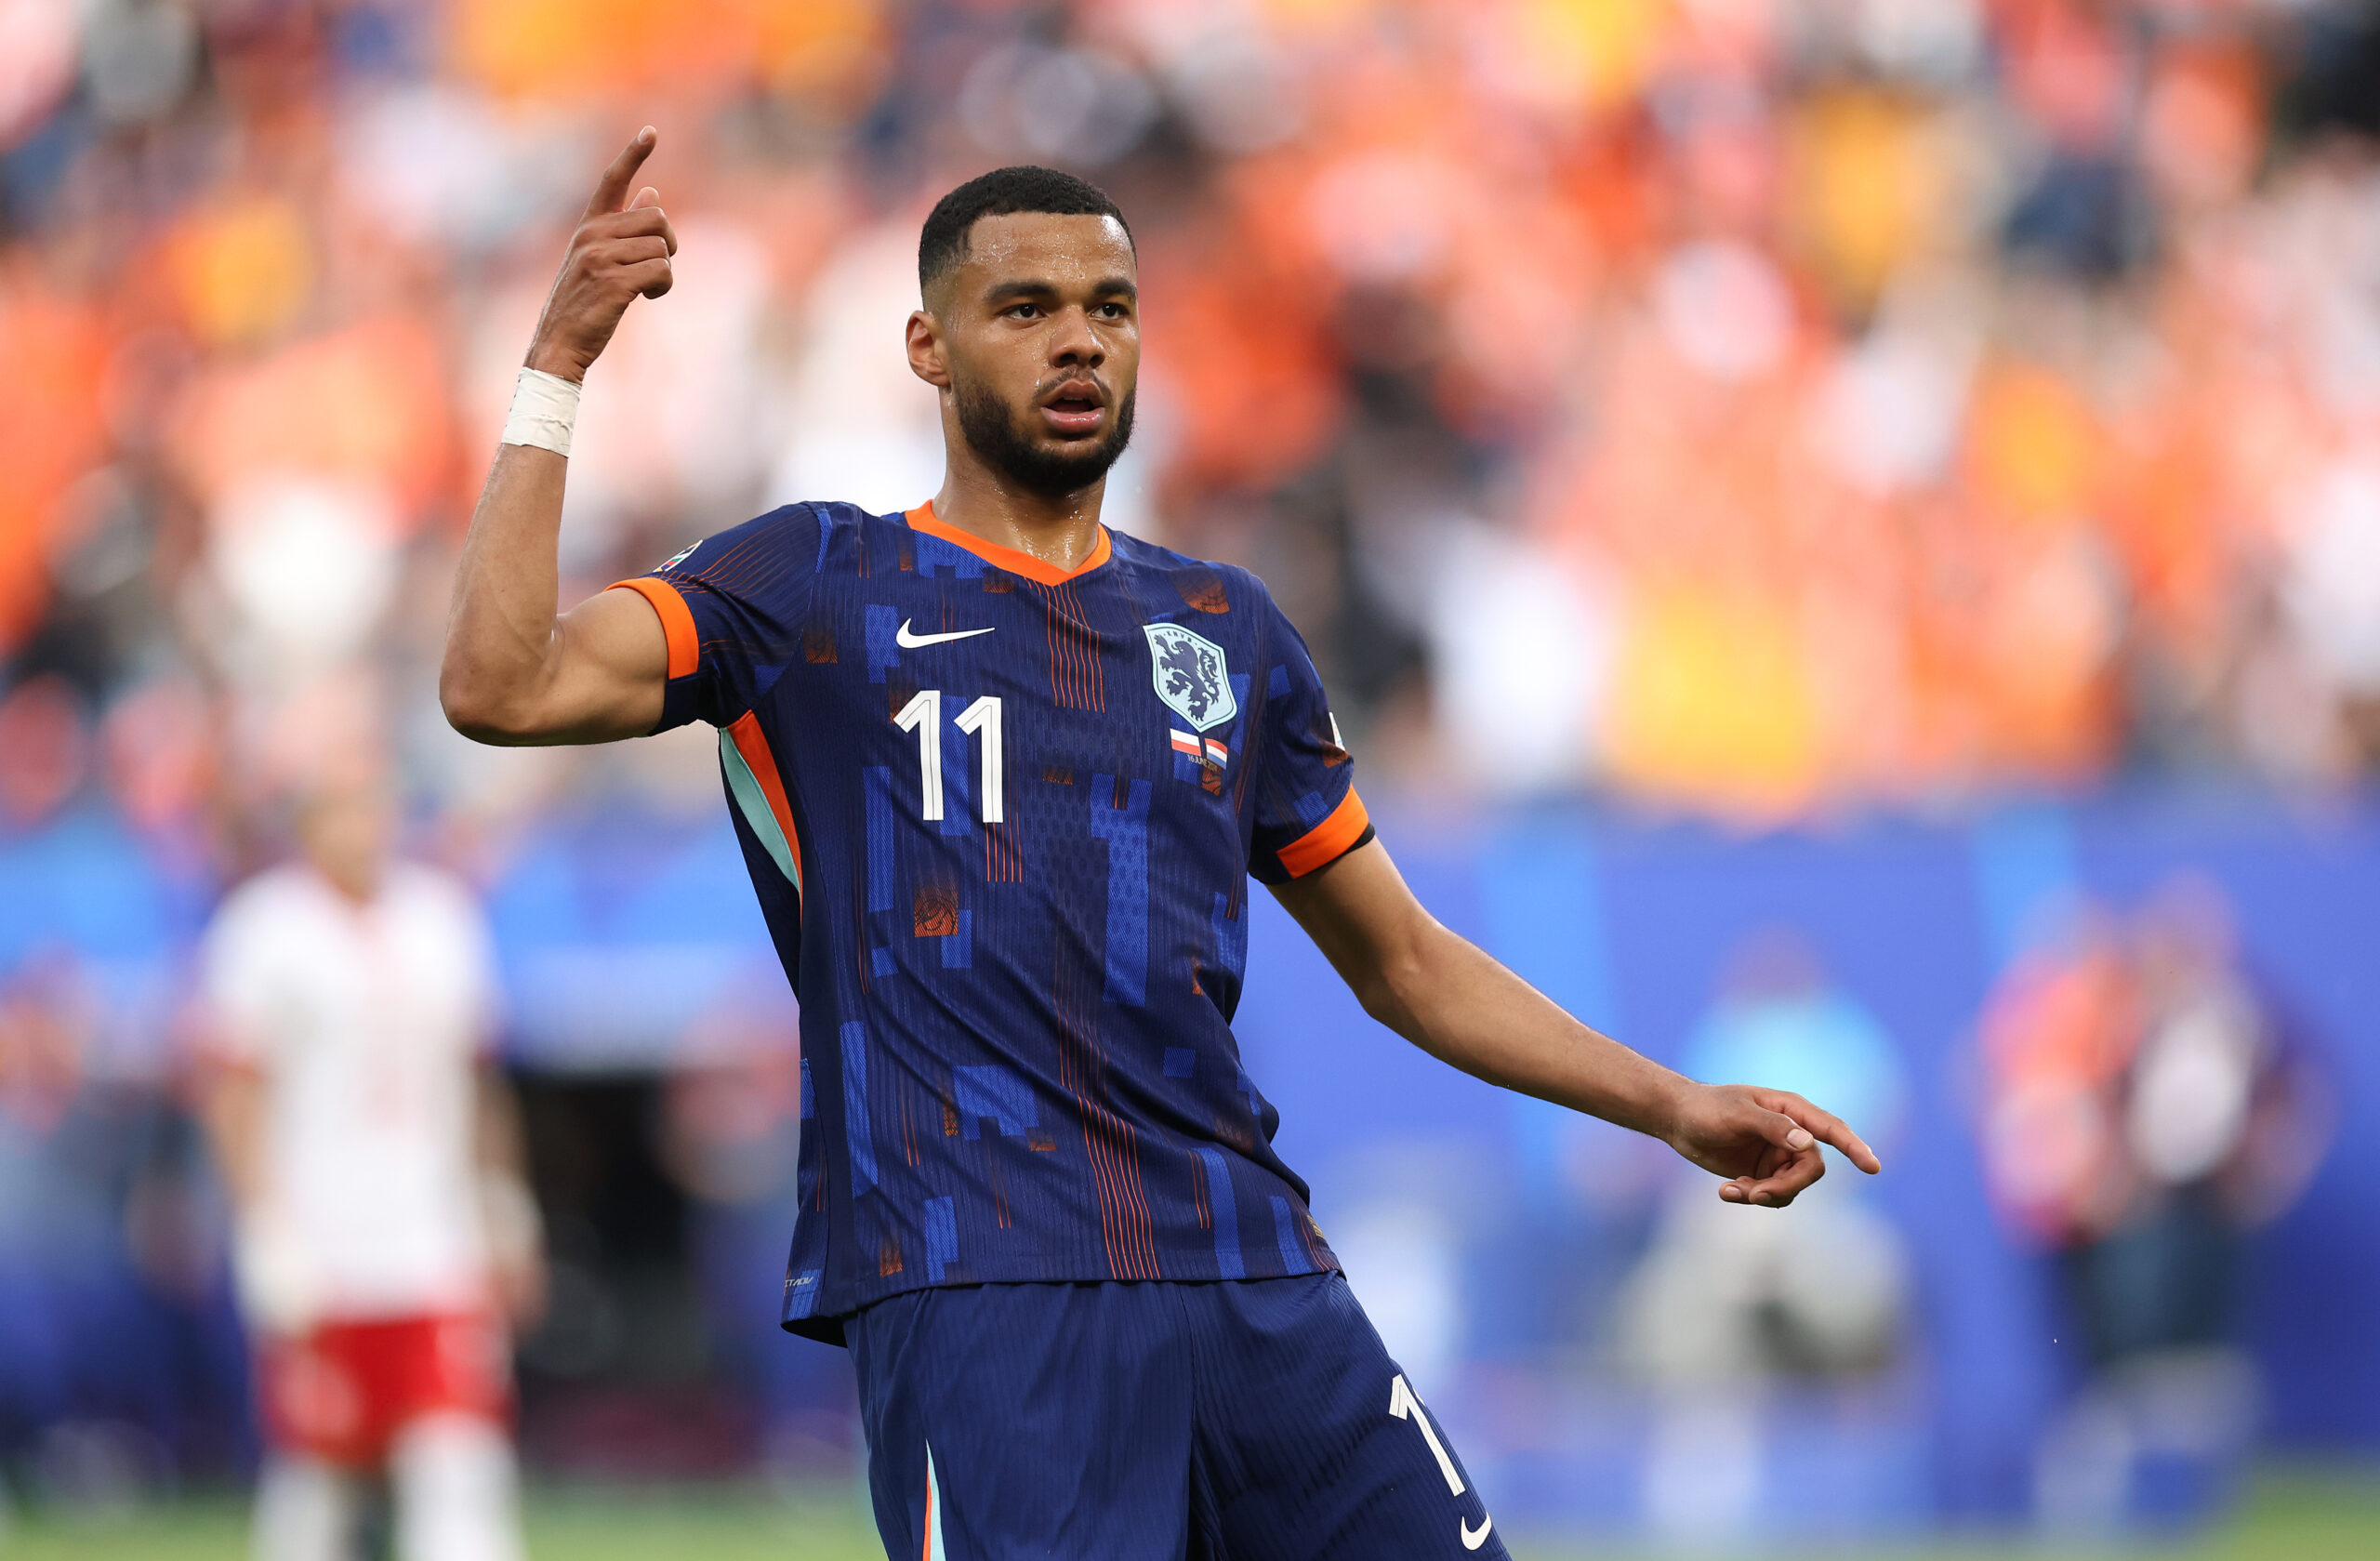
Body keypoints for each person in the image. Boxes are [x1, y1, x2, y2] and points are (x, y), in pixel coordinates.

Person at [439, 130, 1883, 1560]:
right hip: (982, 1281)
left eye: (1109, 310)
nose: (1079, 343)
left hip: (1248, 1263)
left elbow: (1406, 961)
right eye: (1027, 310)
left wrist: (1670, 1103)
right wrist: (559, 368)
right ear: (928, 347)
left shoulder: (1223, 630)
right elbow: (502, 685)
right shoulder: (812, 581)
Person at [194, 775, 542, 1561]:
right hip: (325, 1237)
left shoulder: (441, 917)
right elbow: (235, 1095)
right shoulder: (265, 929)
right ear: (308, 822)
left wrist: (506, 1208)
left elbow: (477, 1078)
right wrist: (262, 1223)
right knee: (318, 1474)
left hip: (434, 1236)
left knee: (459, 1464)